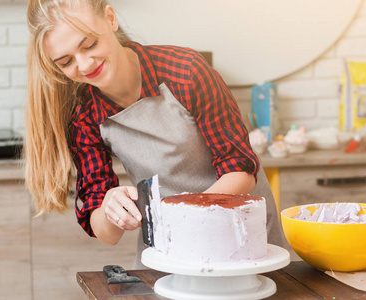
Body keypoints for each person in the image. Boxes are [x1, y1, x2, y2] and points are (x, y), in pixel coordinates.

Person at [25, 0, 284, 269]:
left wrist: (184, 218)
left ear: (111, 19)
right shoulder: (85, 116)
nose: (85, 64)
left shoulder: (185, 71)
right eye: (66, 62)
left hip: (242, 238)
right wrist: (111, 209)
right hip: (169, 247)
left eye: (89, 44)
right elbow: (106, 234)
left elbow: (240, 170)